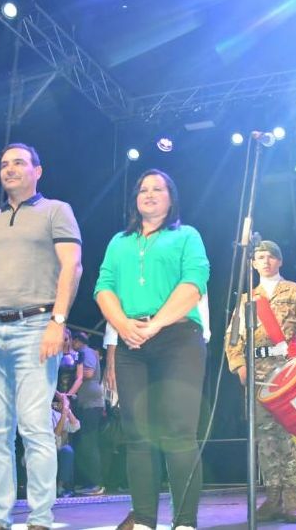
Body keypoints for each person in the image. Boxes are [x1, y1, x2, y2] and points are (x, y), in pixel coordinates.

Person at [0, 143, 83, 530]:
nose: (10, 169)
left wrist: (58, 322)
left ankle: (40, 518)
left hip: (35, 326)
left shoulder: (57, 210)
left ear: (37, 171)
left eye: (19, 163)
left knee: (34, 425)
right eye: (4, 164)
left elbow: (71, 266)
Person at [95, 169, 209, 530]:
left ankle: (185, 522)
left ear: (171, 198)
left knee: (178, 431)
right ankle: (144, 519)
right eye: (143, 190)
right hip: (131, 341)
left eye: (158, 189)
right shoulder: (119, 242)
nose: (149, 194)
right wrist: (125, 325)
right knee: (138, 434)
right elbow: (103, 286)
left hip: (177, 338)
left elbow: (194, 283)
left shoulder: (187, 235)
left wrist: (156, 323)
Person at [224, 240, 296, 524]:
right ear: (252, 263)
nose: (265, 261)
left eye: (270, 257)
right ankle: (273, 496)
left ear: (279, 261)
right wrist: (240, 365)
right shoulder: (246, 299)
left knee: (287, 436)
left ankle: (291, 500)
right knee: (264, 438)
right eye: (259, 257)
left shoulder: (294, 291)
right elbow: (232, 338)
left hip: (285, 371)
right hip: (256, 374)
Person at [70, 331, 105, 495]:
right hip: (88, 402)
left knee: (89, 443)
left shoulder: (85, 352)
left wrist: (73, 370)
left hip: (92, 403)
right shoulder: (85, 353)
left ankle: (96, 484)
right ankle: (88, 482)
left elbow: (89, 373)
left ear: (77, 341)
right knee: (86, 444)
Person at [52, 394, 80, 498]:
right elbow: (55, 435)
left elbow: (75, 426)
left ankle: (61, 487)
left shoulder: (56, 414)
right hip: (44, 449)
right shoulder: (41, 415)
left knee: (67, 451)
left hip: (56, 450)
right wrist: (64, 413)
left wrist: (67, 409)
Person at [56, 327, 83, 399]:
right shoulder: (53, 355)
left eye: (65, 339)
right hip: (53, 393)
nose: (63, 342)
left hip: (69, 394)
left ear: (70, 340)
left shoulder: (77, 355)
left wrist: (68, 395)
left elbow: (79, 378)